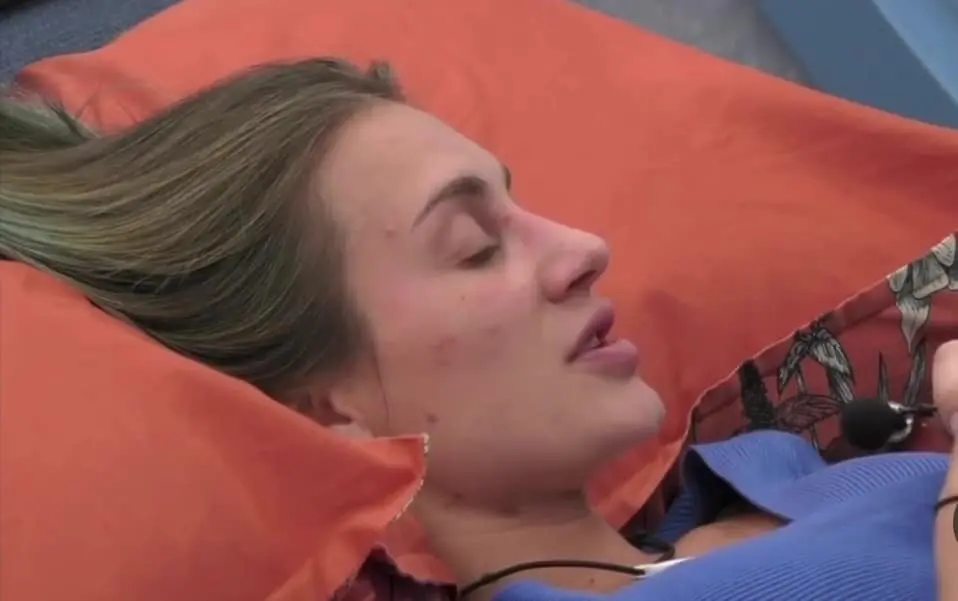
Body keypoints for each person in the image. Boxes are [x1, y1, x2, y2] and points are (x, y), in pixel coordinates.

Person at [1, 59, 955, 601]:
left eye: (521, 206)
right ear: (324, 415)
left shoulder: (760, 470)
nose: (584, 247)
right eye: (472, 248)